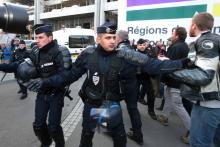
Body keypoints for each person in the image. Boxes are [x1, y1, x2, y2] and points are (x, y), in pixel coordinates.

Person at [26, 22, 191, 147]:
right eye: (107, 37)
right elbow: (69, 76)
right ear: (98, 38)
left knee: (119, 139)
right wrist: (45, 82)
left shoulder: (125, 55)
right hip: (92, 104)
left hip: (112, 105)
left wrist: (184, 63)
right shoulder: (88, 55)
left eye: (114, 37)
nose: (112, 41)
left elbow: (154, 65)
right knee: (87, 136)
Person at [186, 12, 220, 147]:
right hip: (213, 104)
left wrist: (173, 72)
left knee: (199, 143)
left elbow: (204, 76)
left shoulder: (206, 41)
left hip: (208, 104)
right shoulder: (216, 39)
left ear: (194, 25)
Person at [158, 27, 191, 144]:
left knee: (177, 104)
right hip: (174, 79)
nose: (171, 35)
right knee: (167, 97)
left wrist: (162, 60)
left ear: (177, 35)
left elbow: (170, 63)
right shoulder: (184, 45)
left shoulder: (176, 47)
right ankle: (164, 116)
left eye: (173, 33)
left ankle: (192, 130)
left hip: (175, 79)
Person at [135, 38, 158, 120]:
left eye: (143, 45)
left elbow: (154, 63)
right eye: (140, 45)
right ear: (137, 46)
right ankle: (134, 111)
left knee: (151, 94)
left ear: (146, 45)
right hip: (136, 78)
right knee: (134, 95)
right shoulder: (133, 54)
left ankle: (151, 111)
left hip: (146, 77)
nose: (142, 46)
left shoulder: (149, 54)